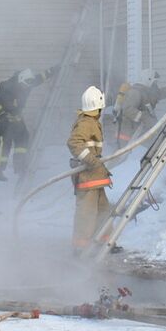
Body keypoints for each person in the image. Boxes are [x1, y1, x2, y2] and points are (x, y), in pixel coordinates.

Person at [0, 66, 53, 180]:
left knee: (23, 137)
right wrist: (3, 115)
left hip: (16, 116)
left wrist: (52, 71)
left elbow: (39, 78)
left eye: (28, 85)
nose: (26, 87)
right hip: (4, 118)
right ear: (20, 79)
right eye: (25, 84)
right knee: (5, 142)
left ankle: (19, 164)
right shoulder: (7, 86)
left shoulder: (27, 82)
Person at [69, 86, 112, 251]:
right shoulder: (86, 123)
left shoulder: (91, 122)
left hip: (96, 177)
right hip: (87, 177)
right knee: (86, 214)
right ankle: (80, 248)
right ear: (98, 107)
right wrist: (92, 161)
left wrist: (97, 165)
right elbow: (74, 143)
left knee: (103, 211)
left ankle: (105, 242)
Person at [113, 73, 166, 146]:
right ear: (148, 80)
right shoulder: (135, 92)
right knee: (124, 155)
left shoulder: (146, 92)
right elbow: (127, 109)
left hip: (134, 133)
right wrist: (144, 117)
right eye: (154, 82)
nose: (155, 85)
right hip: (127, 133)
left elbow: (160, 93)